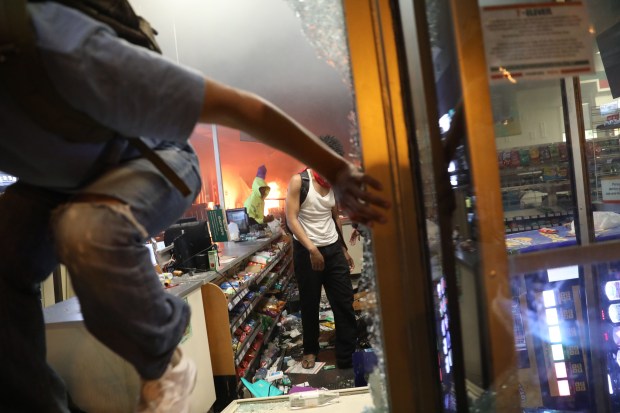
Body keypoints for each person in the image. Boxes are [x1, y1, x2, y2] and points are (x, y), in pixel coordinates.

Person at [0, 3, 389, 413]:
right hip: (54, 182)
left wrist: (339, 172)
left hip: (151, 159)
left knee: (89, 230)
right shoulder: (296, 185)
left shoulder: (60, 47)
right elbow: (292, 217)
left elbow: (241, 107)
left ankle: (164, 361)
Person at [285, 135, 358, 370]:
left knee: (344, 301)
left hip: (332, 247)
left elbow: (334, 215)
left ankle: (347, 355)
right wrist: (312, 249)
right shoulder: (299, 181)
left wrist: (343, 248)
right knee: (310, 303)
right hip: (307, 252)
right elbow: (291, 219)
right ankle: (310, 350)